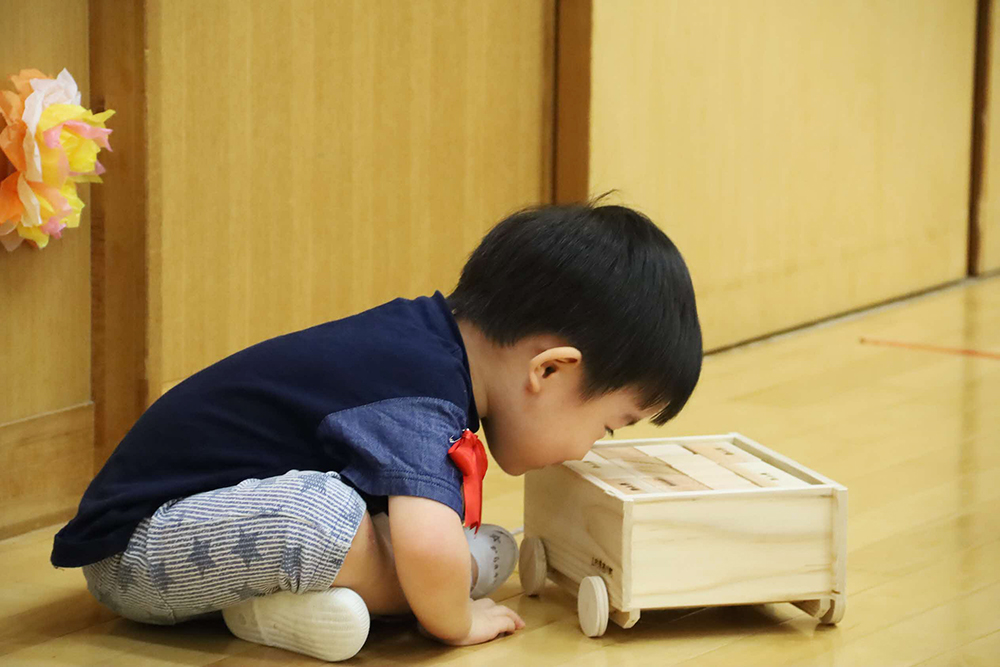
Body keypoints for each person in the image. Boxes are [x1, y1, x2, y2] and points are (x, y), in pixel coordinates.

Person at [50, 198, 702, 661]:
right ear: (551, 370)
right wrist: (453, 616)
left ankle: (279, 611)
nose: (589, 448)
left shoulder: (429, 347)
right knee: (337, 516)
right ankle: (418, 598)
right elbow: (420, 541)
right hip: (138, 550)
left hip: (214, 535)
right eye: (609, 425)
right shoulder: (421, 391)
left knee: (451, 537)